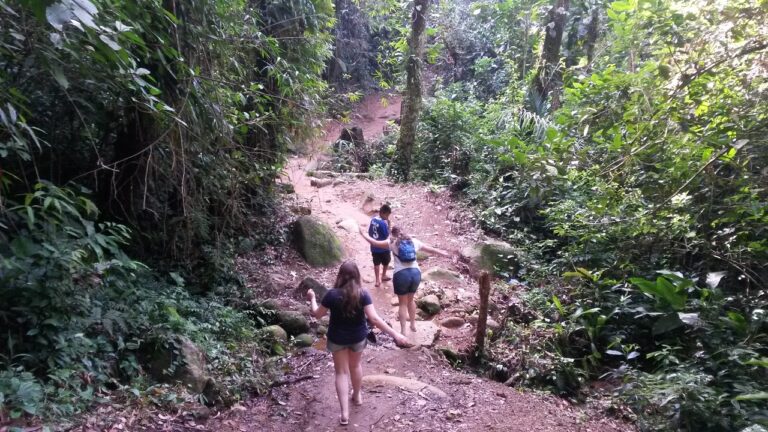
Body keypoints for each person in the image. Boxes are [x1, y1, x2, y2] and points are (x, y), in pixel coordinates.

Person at [307, 261, 410, 426]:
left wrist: (312, 298)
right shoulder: (363, 293)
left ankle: (344, 414)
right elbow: (374, 319)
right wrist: (395, 334)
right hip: (357, 338)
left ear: (340, 276)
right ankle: (356, 395)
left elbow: (317, 314)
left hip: (337, 338)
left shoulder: (331, 294)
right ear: (357, 276)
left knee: (341, 373)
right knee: (355, 366)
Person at [358, 225, 450, 335]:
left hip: (401, 275)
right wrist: (443, 253)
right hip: (415, 273)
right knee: (411, 300)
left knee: (402, 304)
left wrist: (363, 234)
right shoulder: (413, 241)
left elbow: (374, 243)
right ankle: (413, 325)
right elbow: (430, 249)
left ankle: (403, 331)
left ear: (393, 234)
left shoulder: (392, 242)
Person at [368, 204, 392, 288]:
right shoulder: (383, 223)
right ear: (382, 213)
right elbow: (387, 235)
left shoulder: (373, 219)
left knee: (376, 263)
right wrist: (389, 226)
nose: (387, 217)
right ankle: (383, 275)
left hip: (374, 247)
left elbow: (370, 232)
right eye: (387, 215)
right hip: (384, 247)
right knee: (386, 261)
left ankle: (377, 280)